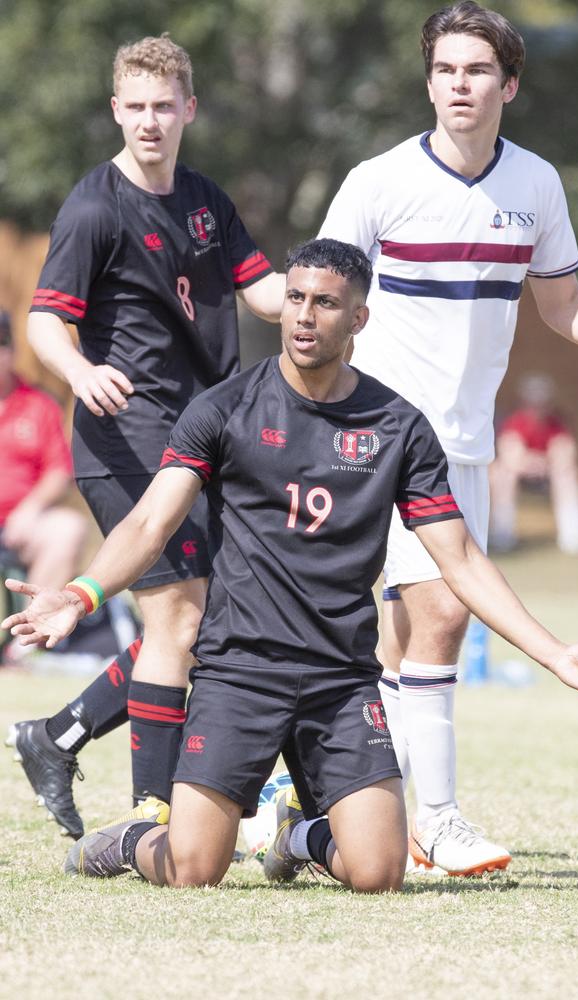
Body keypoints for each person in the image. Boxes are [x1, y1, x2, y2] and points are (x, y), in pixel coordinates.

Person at [2, 239, 578, 893]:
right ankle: (134, 839)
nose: (306, 316)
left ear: (359, 319)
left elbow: (462, 560)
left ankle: (296, 837)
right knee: (197, 869)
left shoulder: (398, 427)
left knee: (379, 873)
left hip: (341, 682)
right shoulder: (224, 408)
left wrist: (556, 655)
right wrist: (80, 596)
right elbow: (148, 523)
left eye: (327, 303)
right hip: (239, 674)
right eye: (296, 299)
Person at [318, 0, 578, 876]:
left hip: (464, 442)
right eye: (443, 70)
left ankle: (352, 806)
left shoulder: (534, 184)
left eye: (475, 70)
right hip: (370, 436)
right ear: (429, 82)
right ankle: (437, 819)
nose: (458, 85)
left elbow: (563, 303)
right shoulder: (377, 181)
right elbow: (315, 299)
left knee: (404, 638)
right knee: (441, 616)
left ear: (508, 83)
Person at [5, 34, 285, 840]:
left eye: (165, 106)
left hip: (207, 434)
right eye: (136, 108)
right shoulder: (95, 205)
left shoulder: (205, 197)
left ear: (189, 109)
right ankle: (152, 817)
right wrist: (80, 371)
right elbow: (48, 321)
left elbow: (263, 291)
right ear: (116, 111)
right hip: (124, 435)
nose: (151, 122)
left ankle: (55, 735)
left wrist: (322, 293)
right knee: (181, 624)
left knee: (219, 624)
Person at [0, 309, 87, 597]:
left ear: (11, 351)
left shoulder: (39, 405)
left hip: (21, 524)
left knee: (68, 529)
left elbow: (59, 472)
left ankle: (28, 636)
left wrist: (30, 509)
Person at [490, 373, 578, 554]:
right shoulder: (515, 422)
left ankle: (573, 537)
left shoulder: (556, 424)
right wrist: (532, 462)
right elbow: (510, 455)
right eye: (532, 401)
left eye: (541, 401)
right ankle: (502, 534)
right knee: (502, 474)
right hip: (521, 473)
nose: (537, 406)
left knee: (567, 475)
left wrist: (543, 463)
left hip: (549, 473)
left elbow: (564, 453)